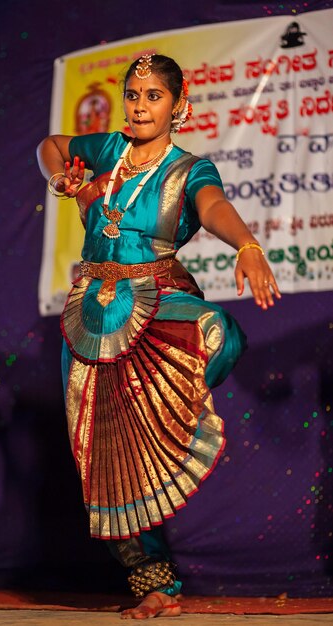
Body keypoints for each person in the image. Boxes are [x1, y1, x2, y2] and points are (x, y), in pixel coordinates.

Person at [37, 54, 281, 619]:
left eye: (154, 96)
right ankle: (156, 586)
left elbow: (213, 206)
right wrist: (60, 175)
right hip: (93, 318)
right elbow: (51, 144)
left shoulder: (189, 169)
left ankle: (164, 405)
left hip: (156, 301)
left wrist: (246, 245)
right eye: (134, 94)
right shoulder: (106, 150)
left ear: (178, 105)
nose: (141, 106)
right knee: (102, 453)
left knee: (221, 335)